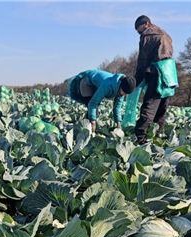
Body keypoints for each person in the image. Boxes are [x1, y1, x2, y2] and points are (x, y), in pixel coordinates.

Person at [133, 15, 177, 145]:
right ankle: (158, 134)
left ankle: (140, 136)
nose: (138, 32)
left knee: (150, 105)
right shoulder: (165, 34)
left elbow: (143, 59)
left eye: (138, 28)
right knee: (162, 106)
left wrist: (138, 79)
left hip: (155, 72)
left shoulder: (147, 35)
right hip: (169, 74)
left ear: (146, 24)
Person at [67, 69, 137, 133]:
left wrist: (119, 124)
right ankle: (86, 130)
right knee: (94, 110)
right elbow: (92, 103)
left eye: (126, 94)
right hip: (86, 83)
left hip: (95, 85)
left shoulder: (122, 88)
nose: (124, 95)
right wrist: (93, 121)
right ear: (120, 87)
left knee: (93, 112)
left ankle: (86, 128)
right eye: (124, 92)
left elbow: (117, 107)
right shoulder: (108, 85)